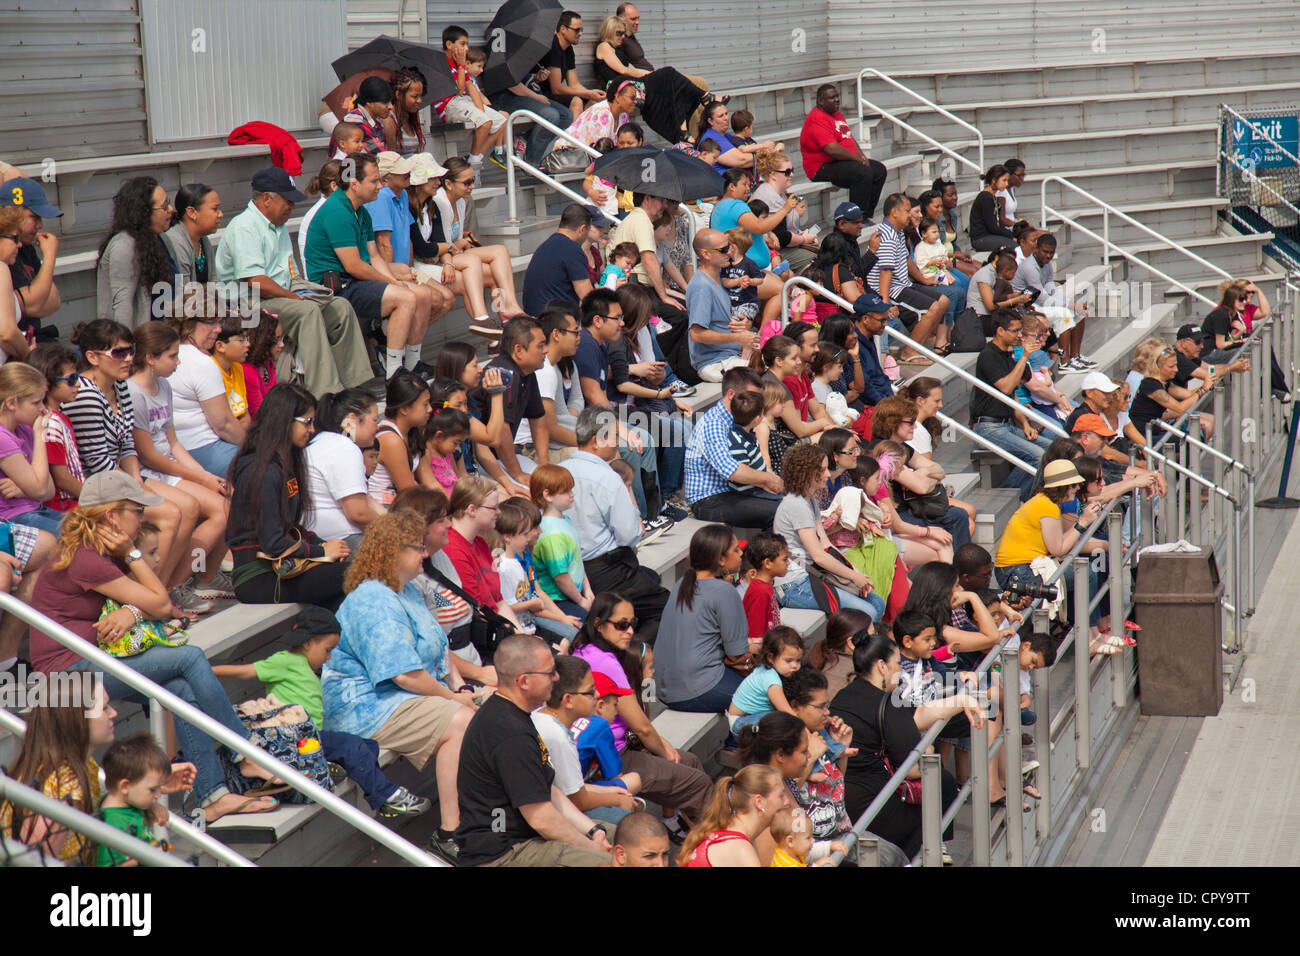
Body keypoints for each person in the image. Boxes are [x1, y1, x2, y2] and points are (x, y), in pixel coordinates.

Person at [28, 472, 283, 822]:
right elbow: (161, 605)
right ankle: (244, 751)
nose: (144, 517)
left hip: (92, 660)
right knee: (190, 658)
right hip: (66, 675)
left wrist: (132, 611)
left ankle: (214, 795)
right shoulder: (85, 556)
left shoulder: (100, 550)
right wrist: (133, 558)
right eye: (137, 510)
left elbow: (153, 602)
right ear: (112, 516)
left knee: (177, 688)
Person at [320, 509, 475, 861]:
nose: (425, 553)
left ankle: (492, 815)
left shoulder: (407, 592)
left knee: (493, 710)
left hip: (405, 697)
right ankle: (451, 833)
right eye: (418, 547)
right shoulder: (371, 599)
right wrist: (454, 699)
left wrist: (462, 688)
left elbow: (439, 650)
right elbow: (402, 674)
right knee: (460, 721)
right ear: (392, 551)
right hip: (365, 707)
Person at [212, 605, 429, 821]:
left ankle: (328, 767)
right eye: (327, 650)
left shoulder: (306, 668)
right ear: (307, 643)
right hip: (293, 738)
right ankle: (386, 797)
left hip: (311, 739)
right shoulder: (286, 661)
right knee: (353, 747)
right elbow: (246, 671)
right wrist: (208, 670)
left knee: (369, 746)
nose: (329, 657)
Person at [214, 166, 373, 398]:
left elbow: (291, 272)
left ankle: (353, 387)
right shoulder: (245, 226)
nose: (291, 207)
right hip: (248, 302)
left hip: (280, 294)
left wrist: (304, 291)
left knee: (340, 307)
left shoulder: (277, 225)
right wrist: (294, 297)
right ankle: (325, 394)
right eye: (287, 201)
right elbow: (255, 281)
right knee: (306, 311)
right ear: (267, 198)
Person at [455, 633, 612, 866]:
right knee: (613, 860)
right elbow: (541, 819)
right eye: (550, 673)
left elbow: (545, 788)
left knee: (628, 838)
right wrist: (594, 849)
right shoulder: (510, 733)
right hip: (503, 854)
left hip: (525, 839)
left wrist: (593, 830)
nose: (556, 677)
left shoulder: (514, 715)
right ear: (524, 681)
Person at [572, 592, 713, 831]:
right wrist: (664, 751)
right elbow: (642, 727)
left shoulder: (583, 649)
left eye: (632, 624)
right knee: (698, 782)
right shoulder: (606, 661)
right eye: (621, 625)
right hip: (612, 756)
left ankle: (691, 829)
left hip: (619, 746)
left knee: (690, 761)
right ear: (598, 624)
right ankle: (716, 844)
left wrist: (662, 743)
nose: (629, 631)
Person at [829, 633, 979, 858]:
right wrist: (928, 750)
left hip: (843, 801)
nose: (901, 670)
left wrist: (962, 701)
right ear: (882, 666)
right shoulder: (888, 702)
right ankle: (925, 855)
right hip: (874, 807)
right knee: (941, 787)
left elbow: (918, 714)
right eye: (898, 663)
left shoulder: (843, 695)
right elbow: (913, 768)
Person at [302, 151, 447, 380]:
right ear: (354, 184)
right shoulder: (338, 211)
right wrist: (393, 283)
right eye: (374, 181)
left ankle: (411, 365)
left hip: (354, 281)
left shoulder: (360, 211)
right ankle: (394, 374)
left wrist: (393, 280)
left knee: (422, 294)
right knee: (406, 297)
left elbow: (374, 256)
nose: (380, 186)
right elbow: (353, 266)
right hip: (336, 287)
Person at [125, 322, 231, 593]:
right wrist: (199, 476)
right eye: (172, 356)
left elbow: (173, 443)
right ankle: (167, 588)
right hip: (147, 471)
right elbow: (148, 455)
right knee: (189, 508)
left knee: (225, 506)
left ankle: (199, 577)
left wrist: (206, 477)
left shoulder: (164, 386)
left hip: (169, 469)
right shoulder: (133, 392)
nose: (178, 361)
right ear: (150, 358)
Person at [226, 383, 350, 607]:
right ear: (284, 420)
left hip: (282, 566)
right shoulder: (261, 469)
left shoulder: (284, 464)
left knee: (343, 590)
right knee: (357, 573)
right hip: (258, 576)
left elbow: (292, 529)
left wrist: (328, 545)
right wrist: (321, 551)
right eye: (307, 422)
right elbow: (273, 543)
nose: (312, 430)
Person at [562, 406, 668, 643]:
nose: (618, 443)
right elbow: (629, 535)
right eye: (613, 436)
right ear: (595, 441)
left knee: (651, 577)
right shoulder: (607, 477)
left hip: (573, 570)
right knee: (669, 606)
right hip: (605, 573)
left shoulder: (560, 471)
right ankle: (633, 656)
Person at [407, 155, 524, 334]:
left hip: (448, 254)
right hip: (438, 259)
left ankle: (508, 312)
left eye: (473, 180)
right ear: (449, 184)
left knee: (500, 252)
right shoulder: (440, 202)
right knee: (490, 273)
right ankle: (497, 326)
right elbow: (442, 245)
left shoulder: (459, 201)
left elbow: (446, 242)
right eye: (467, 182)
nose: (472, 186)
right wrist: (456, 245)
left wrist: (459, 243)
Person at [773, 442, 886, 618]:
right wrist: (852, 576)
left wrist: (855, 572)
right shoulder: (797, 505)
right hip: (794, 585)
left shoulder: (809, 501)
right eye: (823, 470)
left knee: (877, 602)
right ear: (809, 474)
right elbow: (818, 555)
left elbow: (826, 545)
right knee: (868, 612)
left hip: (810, 575)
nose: (828, 474)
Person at [533, 654, 643, 824]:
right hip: (549, 810)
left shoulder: (539, 715)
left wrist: (613, 793)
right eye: (590, 691)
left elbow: (567, 789)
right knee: (631, 819)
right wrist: (617, 800)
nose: (598, 694)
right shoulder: (558, 737)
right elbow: (578, 800)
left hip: (555, 794)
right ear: (568, 700)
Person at [656, 523, 751, 709]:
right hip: (698, 689)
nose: (741, 554)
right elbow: (737, 656)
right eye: (736, 550)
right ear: (721, 560)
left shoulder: (681, 583)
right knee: (768, 697)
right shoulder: (724, 591)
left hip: (663, 689)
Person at [685, 365, 785, 527]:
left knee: (792, 503)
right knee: (782, 512)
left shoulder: (739, 419)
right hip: (709, 499)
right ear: (731, 394)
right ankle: (772, 553)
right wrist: (768, 479)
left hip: (734, 491)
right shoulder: (714, 423)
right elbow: (732, 470)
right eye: (750, 396)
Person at [970, 310, 1053, 494]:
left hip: (1006, 424)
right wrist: (1024, 356)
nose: (1020, 335)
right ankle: (1011, 495)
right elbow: (1006, 388)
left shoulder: (1005, 355)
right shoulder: (988, 355)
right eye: (1015, 331)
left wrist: (1025, 423)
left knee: (1052, 449)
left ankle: (1022, 493)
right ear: (1000, 331)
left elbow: (1013, 395)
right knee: (1039, 456)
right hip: (988, 427)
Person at [866, 194, 951, 364]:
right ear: (894, 213)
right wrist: (885, 302)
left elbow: (906, 259)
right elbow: (885, 271)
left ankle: (917, 344)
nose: (910, 215)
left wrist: (923, 279)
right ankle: (909, 352)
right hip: (891, 291)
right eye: (906, 211)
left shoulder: (896, 232)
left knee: (943, 301)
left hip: (903, 284)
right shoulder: (887, 236)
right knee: (933, 307)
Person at [303, 388, 383, 549]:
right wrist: (396, 531)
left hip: (323, 538)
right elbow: (358, 513)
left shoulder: (325, 441)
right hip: (341, 541)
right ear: (352, 420)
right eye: (374, 420)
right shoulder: (343, 447)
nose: (378, 428)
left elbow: (366, 501)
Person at [96, 177, 175, 328]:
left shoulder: (161, 239)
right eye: (164, 206)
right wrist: (126, 348)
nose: (170, 209)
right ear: (143, 212)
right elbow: (122, 306)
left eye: (169, 203)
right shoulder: (123, 246)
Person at [800, 84, 888, 220]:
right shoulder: (817, 119)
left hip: (841, 162)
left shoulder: (836, 114)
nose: (837, 100)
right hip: (821, 167)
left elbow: (849, 138)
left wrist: (862, 156)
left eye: (837, 96)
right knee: (863, 173)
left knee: (879, 170)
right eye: (832, 97)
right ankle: (853, 219)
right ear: (820, 101)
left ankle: (865, 216)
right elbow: (832, 149)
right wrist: (857, 159)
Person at [678, 764, 789, 867]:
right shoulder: (740, 849)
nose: (787, 801)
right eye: (781, 796)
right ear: (759, 802)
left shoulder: (734, 836)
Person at [94, 732, 177, 866]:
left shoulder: (128, 802)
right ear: (125, 786)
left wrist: (152, 807)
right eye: (153, 789)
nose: (158, 795)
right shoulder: (113, 822)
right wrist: (150, 853)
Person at [1013, 232, 1092, 371]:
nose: (1048, 256)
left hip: (1039, 302)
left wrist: (1074, 305)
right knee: (1064, 314)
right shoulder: (1029, 267)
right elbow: (1042, 298)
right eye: (1045, 252)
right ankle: (1064, 362)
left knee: (1079, 312)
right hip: (1027, 307)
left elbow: (1050, 289)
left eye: (1051, 253)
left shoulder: (1047, 264)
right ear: (1036, 249)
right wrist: (1071, 304)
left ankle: (1075, 356)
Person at [435, 29, 509, 174]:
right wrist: (462, 65)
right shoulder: (443, 62)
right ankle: (474, 161)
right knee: (485, 122)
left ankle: (475, 157)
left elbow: (471, 88)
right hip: (449, 105)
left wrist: (482, 112)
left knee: (501, 120)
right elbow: (459, 89)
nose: (466, 48)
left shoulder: (458, 62)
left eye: (467, 44)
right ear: (449, 44)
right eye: (462, 44)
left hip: (463, 101)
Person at [687, 228, 757, 382]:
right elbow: (696, 334)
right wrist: (738, 338)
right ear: (706, 254)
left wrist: (745, 322)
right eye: (724, 249)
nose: (730, 252)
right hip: (714, 362)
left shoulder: (722, 275)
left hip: (732, 355)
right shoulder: (701, 286)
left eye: (731, 246)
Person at [26, 342, 83, 512]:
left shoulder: (59, 417)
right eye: (72, 379)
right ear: (47, 384)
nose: (78, 384)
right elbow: (61, 478)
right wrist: (94, 500)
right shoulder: (49, 423)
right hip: (63, 506)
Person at [2, 177, 62, 336]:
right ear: (10, 213)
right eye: (34, 217)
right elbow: (34, 305)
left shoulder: (26, 248)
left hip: (32, 339)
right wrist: (49, 256)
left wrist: (33, 299)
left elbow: (54, 301)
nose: (40, 225)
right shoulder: (5, 253)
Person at [531, 463, 593, 616]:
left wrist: (588, 589)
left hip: (574, 594)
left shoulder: (564, 519)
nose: (572, 494)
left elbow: (576, 559)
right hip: (558, 600)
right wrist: (581, 601)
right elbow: (560, 577)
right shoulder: (552, 534)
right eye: (566, 491)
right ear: (548, 495)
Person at [522, 204, 598, 316]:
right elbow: (587, 297)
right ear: (582, 229)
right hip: (554, 322)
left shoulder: (546, 245)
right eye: (588, 230)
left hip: (535, 316)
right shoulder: (572, 248)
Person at [370, 369, 431, 503]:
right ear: (404, 409)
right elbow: (408, 492)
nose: (430, 409)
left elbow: (428, 479)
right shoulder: (391, 440)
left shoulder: (413, 432)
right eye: (425, 405)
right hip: (388, 511)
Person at [752, 150, 819, 273]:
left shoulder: (780, 193)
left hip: (784, 246)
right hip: (772, 249)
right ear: (773, 175)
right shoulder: (769, 197)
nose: (792, 174)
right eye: (787, 172)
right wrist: (804, 239)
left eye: (792, 170)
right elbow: (782, 237)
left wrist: (801, 234)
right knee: (816, 261)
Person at [728, 625, 805, 732]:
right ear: (770, 657)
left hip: (753, 717)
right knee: (785, 722)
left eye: (798, 660)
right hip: (742, 723)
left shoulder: (773, 670)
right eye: (788, 661)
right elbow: (787, 712)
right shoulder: (771, 680)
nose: (795, 665)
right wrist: (806, 732)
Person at [160, 183, 221, 289]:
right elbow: (184, 294)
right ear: (192, 212)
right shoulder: (175, 243)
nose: (220, 214)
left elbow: (214, 285)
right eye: (215, 209)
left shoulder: (204, 241)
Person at [340, 76, 393, 154]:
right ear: (369, 103)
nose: (390, 106)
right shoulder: (356, 122)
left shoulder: (376, 122)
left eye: (391, 102)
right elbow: (380, 157)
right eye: (385, 102)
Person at [970, 165, 1017, 252]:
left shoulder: (992, 197)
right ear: (994, 180)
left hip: (989, 236)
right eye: (1004, 180)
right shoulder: (985, 198)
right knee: (1014, 247)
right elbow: (993, 227)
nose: (1006, 184)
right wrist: (1012, 236)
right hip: (981, 239)